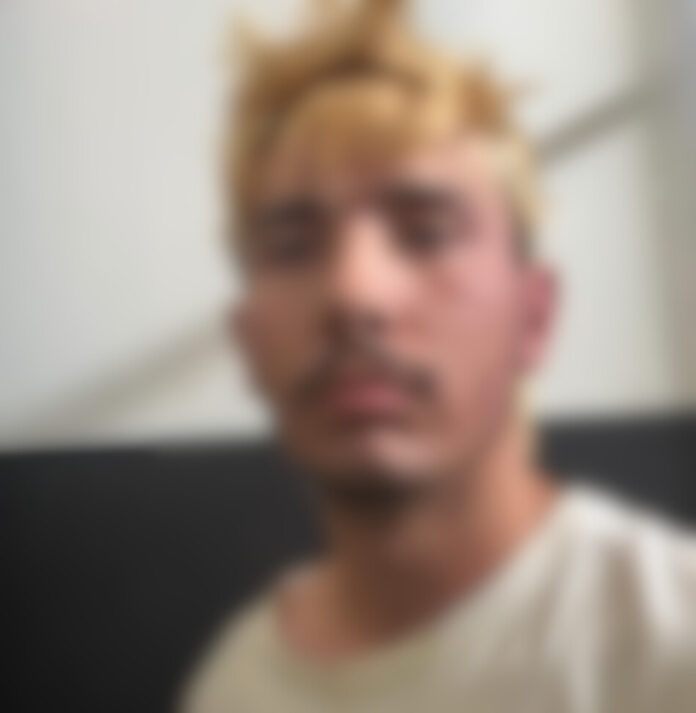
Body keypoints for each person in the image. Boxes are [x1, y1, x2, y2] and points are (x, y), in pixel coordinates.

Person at [181, 1, 696, 711]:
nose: (354, 294)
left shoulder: (671, 638)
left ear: (534, 314)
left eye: (426, 233)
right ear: (247, 341)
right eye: (293, 247)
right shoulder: (234, 685)